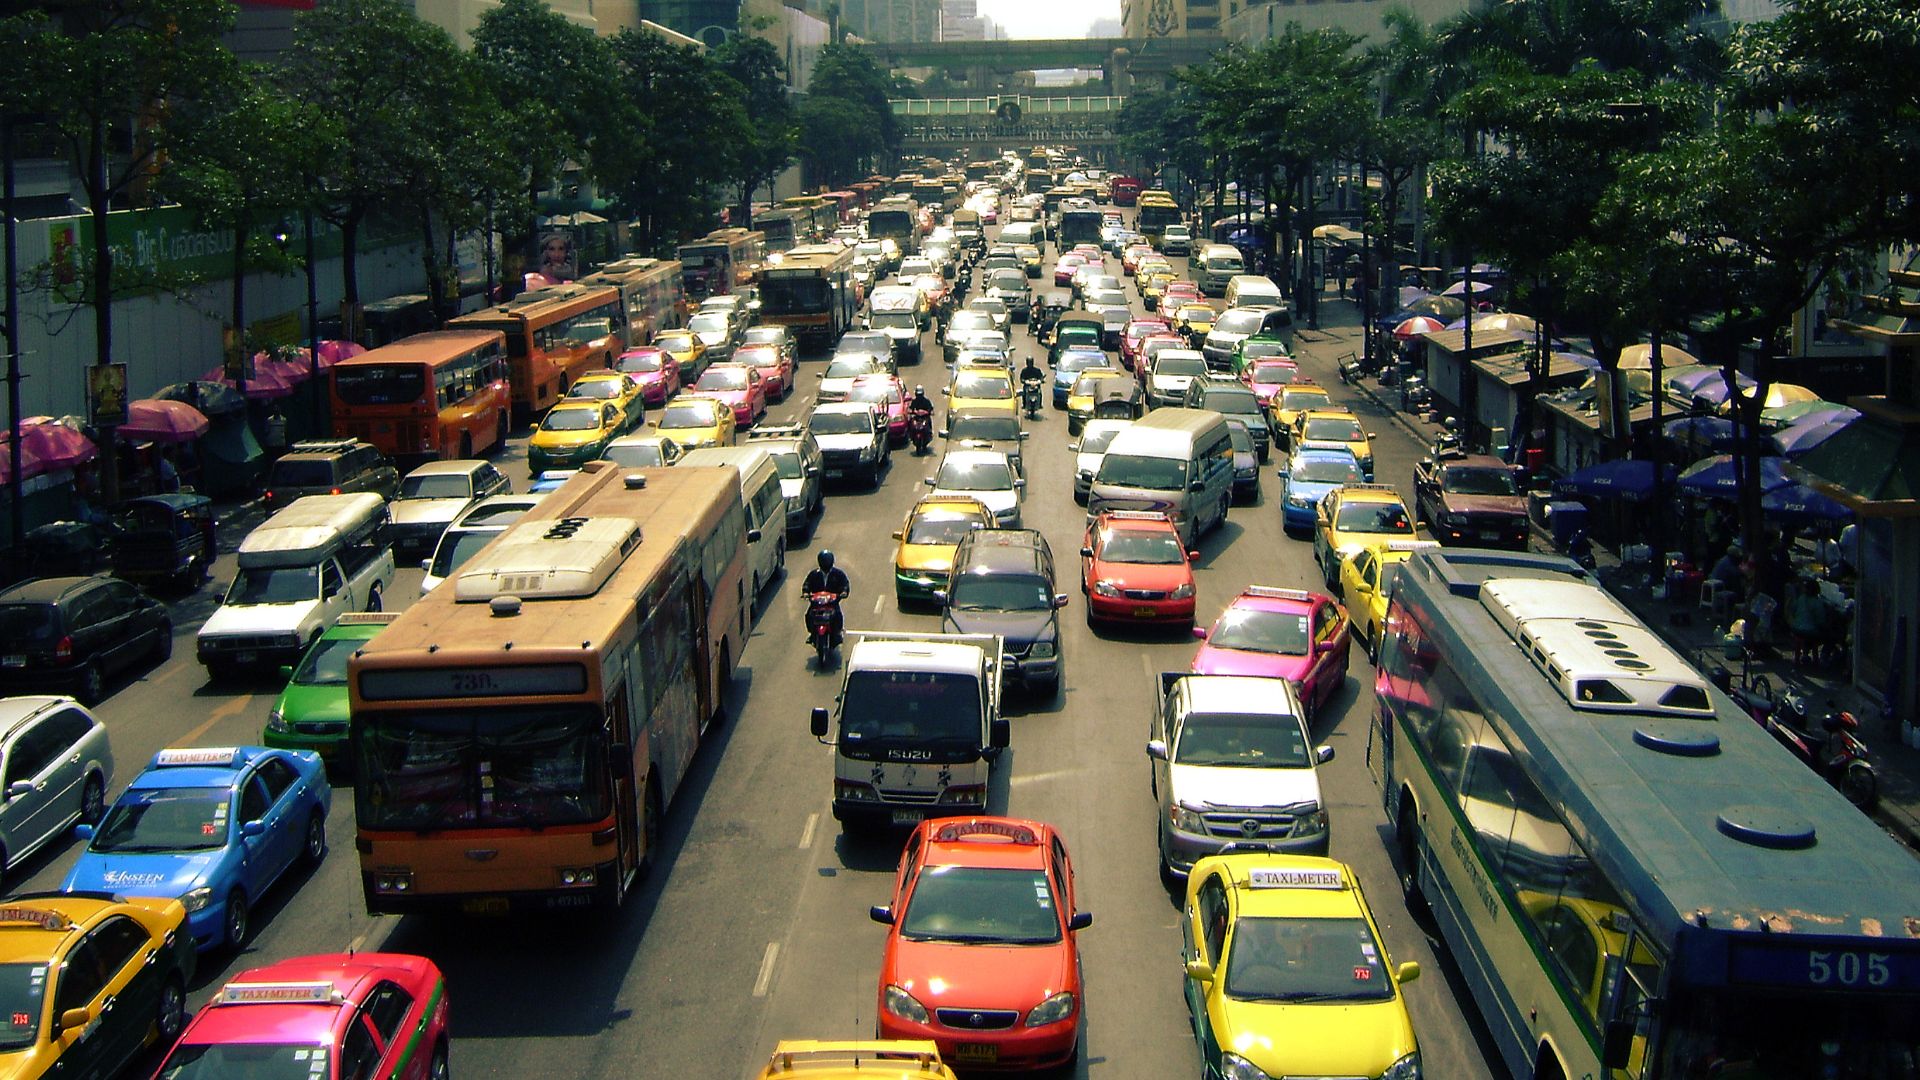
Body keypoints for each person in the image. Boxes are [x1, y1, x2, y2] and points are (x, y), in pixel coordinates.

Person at [802, 550, 851, 641]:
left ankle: (837, 632)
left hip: (832, 603)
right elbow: (807, 584)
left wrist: (844, 592)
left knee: (838, 615)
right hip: (817, 604)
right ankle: (812, 634)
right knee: (809, 615)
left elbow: (845, 584)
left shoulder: (838, 574)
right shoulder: (814, 574)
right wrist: (805, 592)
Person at [1786, 579, 1830, 665]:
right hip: (1811, 631)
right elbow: (1820, 620)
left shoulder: (1801, 598)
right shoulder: (1818, 602)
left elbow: (1793, 609)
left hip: (1797, 628)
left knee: (1802, 636)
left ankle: (1799, 657)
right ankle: (1815, 658)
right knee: (1820, 634)